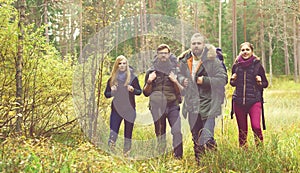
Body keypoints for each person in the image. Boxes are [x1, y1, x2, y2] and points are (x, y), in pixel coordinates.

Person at [177, 33, 227, 163]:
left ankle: (214, 163)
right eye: (194, 43)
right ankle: (200, 164)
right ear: (190, 45)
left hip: (209, 105)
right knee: (196, 138)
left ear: (204, 45)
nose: (196, 46)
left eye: (199, 43)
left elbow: (223, 79)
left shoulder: (213, 60)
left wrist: (204, 80)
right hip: (192, 105)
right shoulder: (185, 60)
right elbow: (179, 75)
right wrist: (182, 80)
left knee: (207, 137)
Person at [143, 44, 184, 159]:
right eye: (161, 53)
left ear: (169, 54)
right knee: (160, 133)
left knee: (176, 131)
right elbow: (145, 93)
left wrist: (175, 81)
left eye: (165, 53)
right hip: (157, 107)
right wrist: (149, 81)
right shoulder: (151, 71)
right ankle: (161, 157)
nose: (163, 55)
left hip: (172, 106)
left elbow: (182, 91)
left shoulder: (175, 70)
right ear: (157, 54)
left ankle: (178, 157)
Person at [230, 42, 268, 148]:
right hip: (238, 101)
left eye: (247, 50)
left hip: (254, 101)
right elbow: (232, 84)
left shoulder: (258, 65)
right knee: (242, 131)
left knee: (256, 126)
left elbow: (265, 84)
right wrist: (233, 79)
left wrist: (260, 82)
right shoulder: (236, 65)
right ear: (240, 51)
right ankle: (244, 154)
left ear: (252, 51)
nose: (245, 52)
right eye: (243, 50)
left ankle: (260, 151)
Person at [104, 55, 142, 156]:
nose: (122, 65)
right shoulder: (112, 78)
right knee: (113, 132)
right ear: (116, 65)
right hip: (116, 110)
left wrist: (133, 90)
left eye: (124, 63)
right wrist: (112, 92)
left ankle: (126, 154)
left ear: (127, 64)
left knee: (128, 134)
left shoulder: (132, 78)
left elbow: (139, 92)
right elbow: (106, 94)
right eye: (120, 63)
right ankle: (110, 152)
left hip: (129, 110)